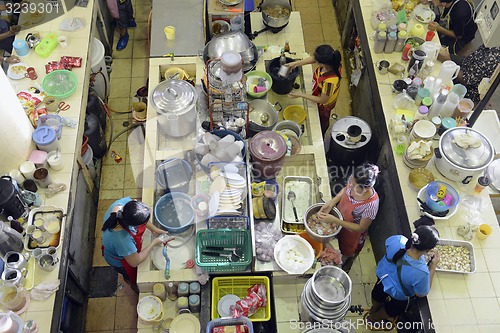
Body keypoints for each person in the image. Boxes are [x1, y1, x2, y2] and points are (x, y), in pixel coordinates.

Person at [367, 226, 440, 328]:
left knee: (378, 294)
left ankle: (373, 310)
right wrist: (433, 267)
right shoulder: (421, 272)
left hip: (383, 278)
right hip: (399, 294)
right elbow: (421, 293)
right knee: (394, 308)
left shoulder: (398, 240)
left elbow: (392, 247)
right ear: (428, 249)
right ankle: (374, 318)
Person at [317, 163, 380, 272]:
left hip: (351, 234)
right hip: (340, 222)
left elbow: (361, 228)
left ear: (366, 189)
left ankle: (346, 268)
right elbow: (345, 191)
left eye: (353, 184)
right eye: (351, 180)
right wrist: (331, 203)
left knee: (346, 254)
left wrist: (335, 220)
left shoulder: (371, 205)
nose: (350, 184)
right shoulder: (353, 182)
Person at [101, 197, 167, 291]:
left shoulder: (123, 206)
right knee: (129, 276)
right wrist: (153, 243)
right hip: (119, 260)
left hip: (116, 245)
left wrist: (154, 229)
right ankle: (132, 284)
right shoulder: (123, 239)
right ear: (134, 225)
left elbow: (140, 218)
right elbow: (134, 262)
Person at [286, 44, 342, 135]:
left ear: (323, 64)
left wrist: (300, 94)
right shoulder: (331, 61)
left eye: (317, 61)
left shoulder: (330, 82)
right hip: (320, 92)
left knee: (323, 120)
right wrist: (295, 64)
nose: (314, 60)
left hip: (324, 105)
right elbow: (314, 59)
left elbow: (322, 100)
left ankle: (322, 133)